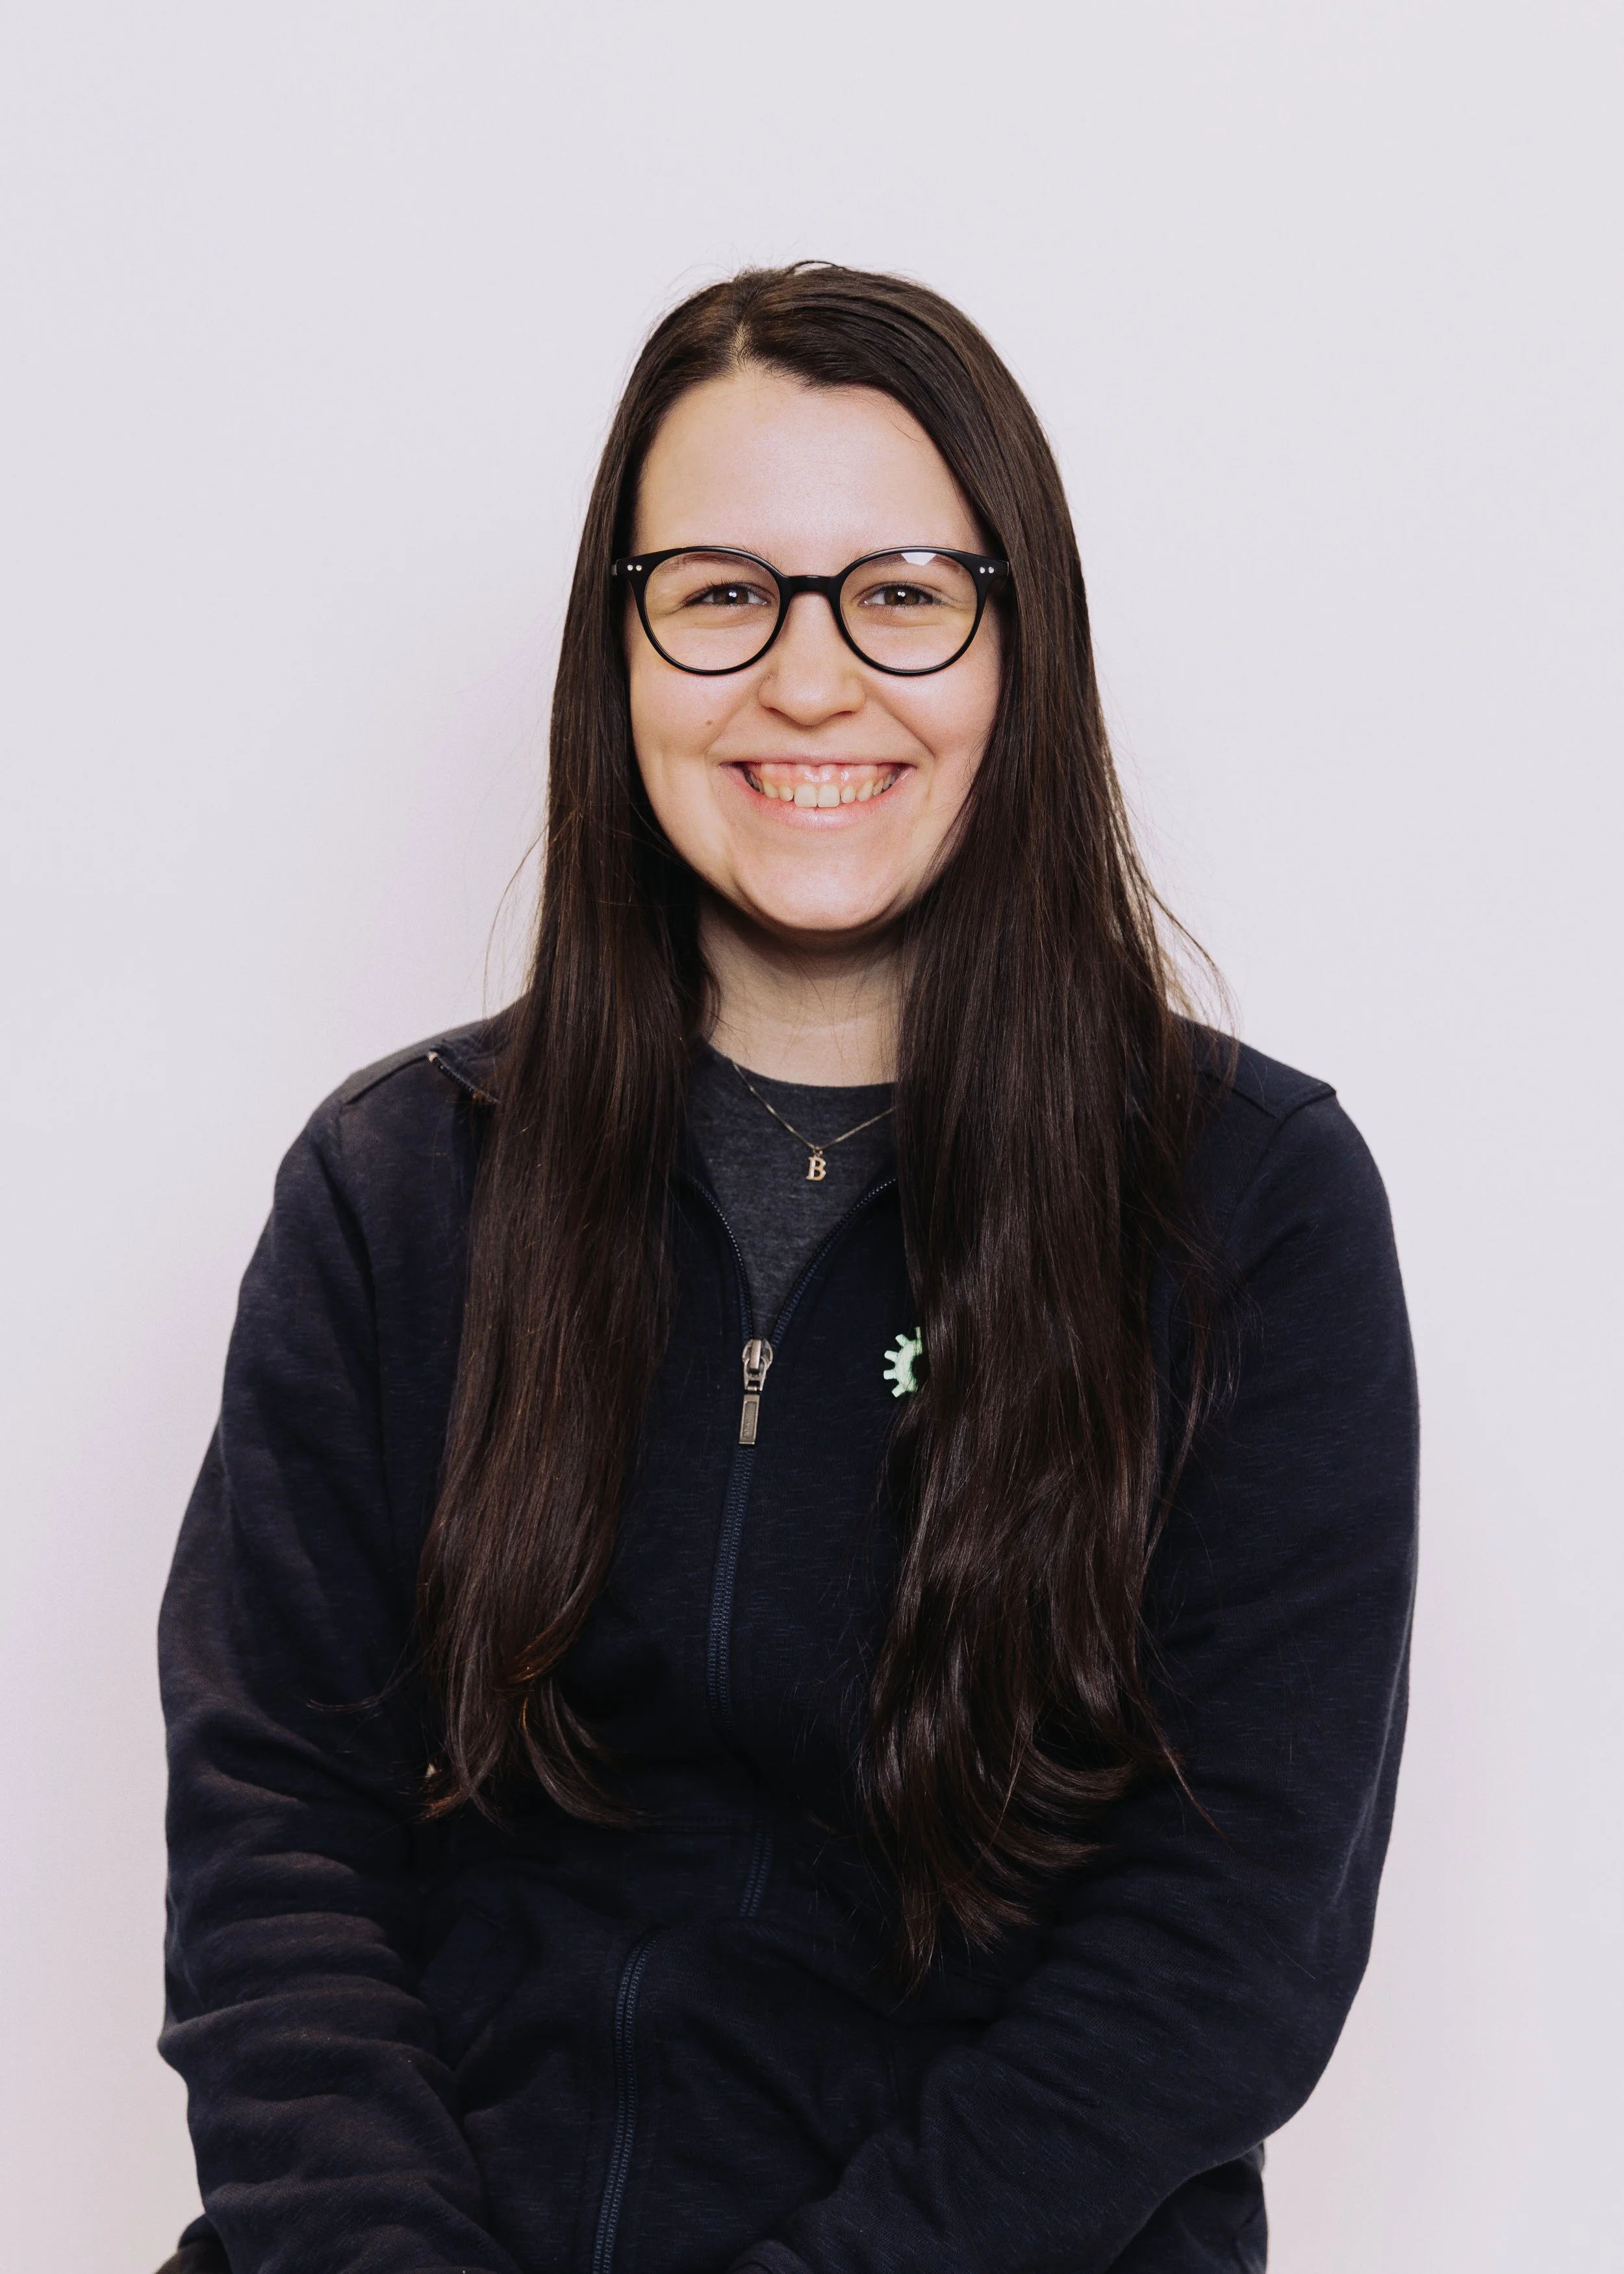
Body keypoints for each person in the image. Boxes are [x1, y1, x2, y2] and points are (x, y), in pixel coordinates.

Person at [156, 263, 1418, 2274]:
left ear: (1021, 648)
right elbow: (273, 1838)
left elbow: (1224, 1942)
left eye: (902, 591)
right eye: (722, 591)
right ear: (622, 652)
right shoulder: (399, 1188)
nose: (809, 680)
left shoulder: (1245, 1204)